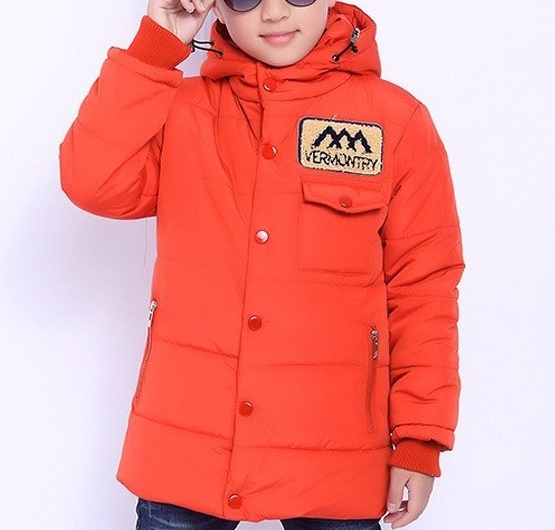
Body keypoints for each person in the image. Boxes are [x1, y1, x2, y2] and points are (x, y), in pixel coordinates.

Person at [58, 0, 466, 529]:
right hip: (188, 444)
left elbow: (424, 290)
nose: (273, 13)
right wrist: (159, 44)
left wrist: (419, 439)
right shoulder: (180, 110)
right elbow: (91, 182)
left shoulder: (395, 122)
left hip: (337, 454)